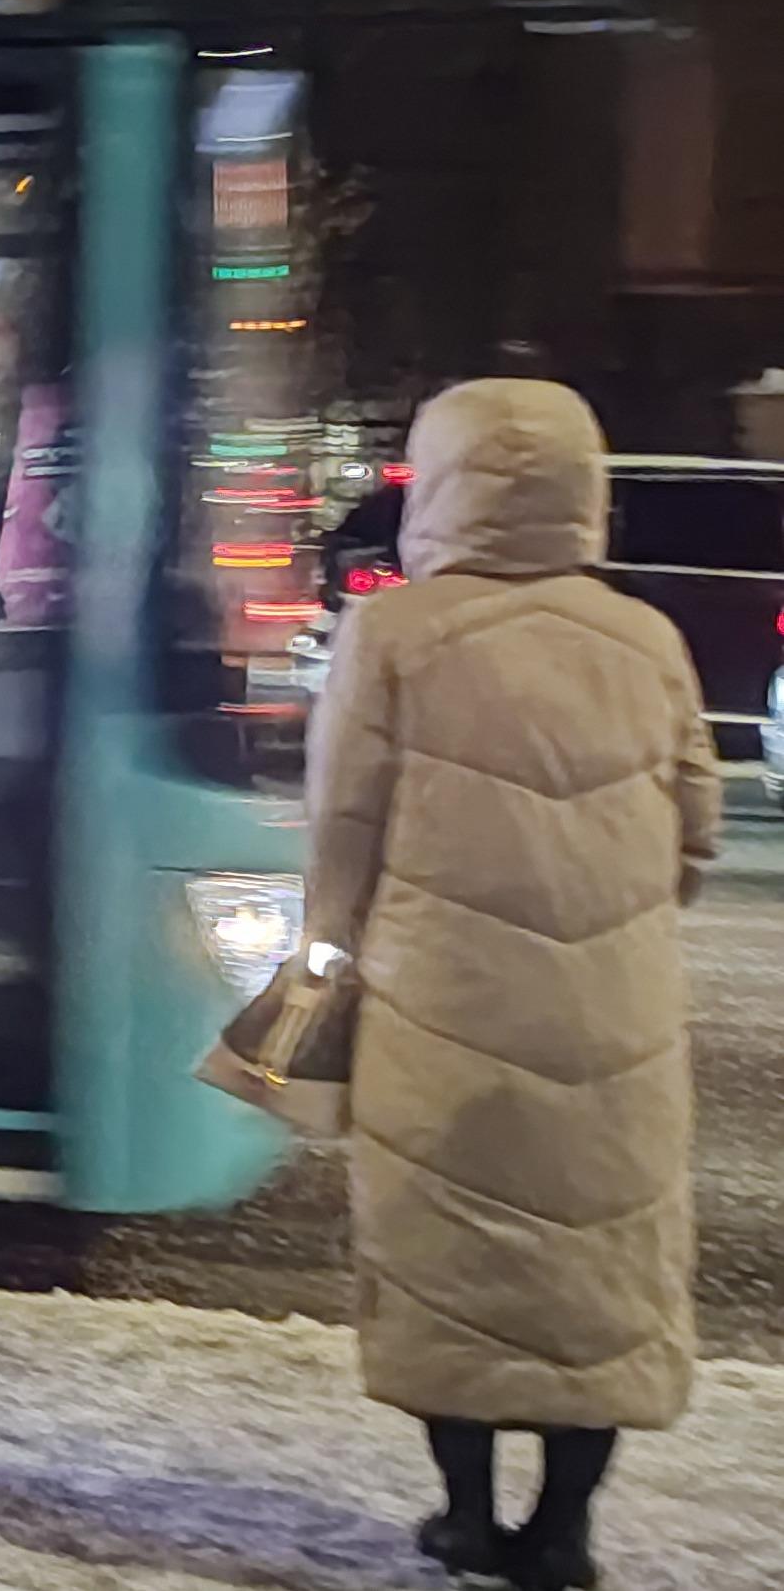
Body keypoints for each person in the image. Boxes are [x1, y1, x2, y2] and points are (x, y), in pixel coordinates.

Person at [304, 378, 714, 1591]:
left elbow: (343, 821)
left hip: (442, 999)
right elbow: (695, 826)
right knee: (601, 1265)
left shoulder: (394, 631)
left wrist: (327, 947)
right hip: (617, 1007)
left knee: (454, 1260)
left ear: (438, 485)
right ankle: (567, 1531)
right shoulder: (647, 638)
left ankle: (466, 1516)